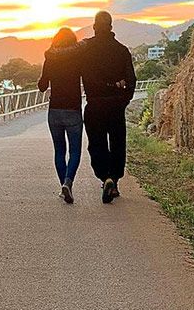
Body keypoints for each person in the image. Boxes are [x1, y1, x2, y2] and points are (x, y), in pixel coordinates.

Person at [47, 11, 136, 203]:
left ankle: (105, 177)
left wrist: (50, 54)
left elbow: (64, 57)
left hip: (94, 105)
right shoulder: (122, 50)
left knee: (97, 144)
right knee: (118, 143)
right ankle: (114, 178)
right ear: (111, 27)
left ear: (95, 27)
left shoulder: (87, 48)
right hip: (116, 105)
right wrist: (123, 100)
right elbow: (131, 81)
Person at [38, 27, 84, 204]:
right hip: (73, 109)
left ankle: (64, 187)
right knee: (74, 151)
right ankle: (68, 182)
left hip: (54, 110)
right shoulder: (77, 57)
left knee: (59, 150)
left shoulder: (50, 58)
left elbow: (42, 86)